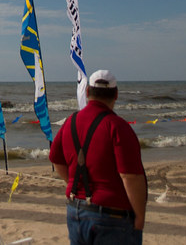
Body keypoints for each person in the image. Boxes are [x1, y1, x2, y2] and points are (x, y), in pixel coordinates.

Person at [50, 69, 147, 244]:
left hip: (76, 210)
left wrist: (73, 182)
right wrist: (139, 215)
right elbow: (130, 176)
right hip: (111, 215)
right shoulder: (118, 126)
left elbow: (56, 159)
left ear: (87, 92)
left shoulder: (70, 121)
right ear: (116, 95)